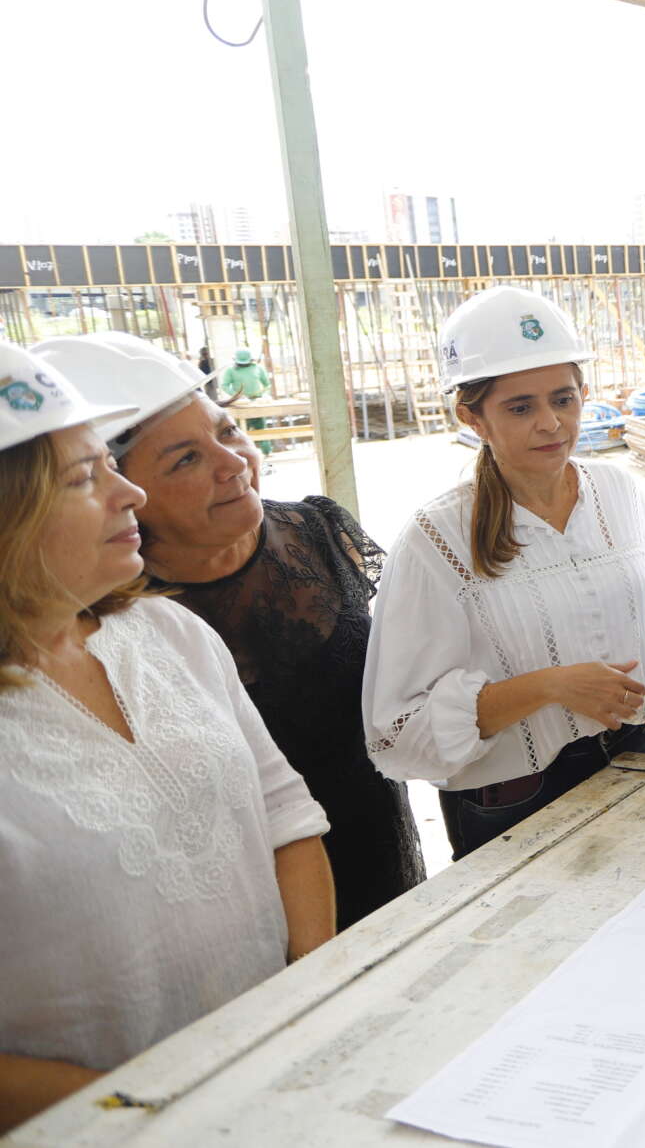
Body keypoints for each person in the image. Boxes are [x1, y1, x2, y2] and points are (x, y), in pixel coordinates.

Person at [0, 343, 332, 1131]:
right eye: (86, 478)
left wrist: (317, 994)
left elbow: (288, 817)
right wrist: (164, 1105)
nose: (131, 492)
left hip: (277, 1088)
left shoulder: (167, 633)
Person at [35, 332, 425, 930]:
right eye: (186, 459)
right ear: (124, 491)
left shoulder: (319, 534)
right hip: (243, 908)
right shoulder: (127, 623)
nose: (234, 463)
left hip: (377, 856)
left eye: (227, 431)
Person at [363, 288, 645, 860]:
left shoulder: (617, 492)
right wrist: (551, 686)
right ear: (472, 417)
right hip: (515, 802)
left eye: (563, 399)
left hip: (640, 758)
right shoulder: (437, 539)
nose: (551, 423)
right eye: (520, 407)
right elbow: (396, 729)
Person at [218, 348, 274, 455]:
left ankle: (267, 451)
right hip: (241, 403)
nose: (243, 365)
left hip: (256, 401)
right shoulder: (231, 370)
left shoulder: (258, 368)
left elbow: (267, 384)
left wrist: (265, 395)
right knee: (240, 430)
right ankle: (242, 454)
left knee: (261, 427)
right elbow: (224, 385)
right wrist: (236, 395)